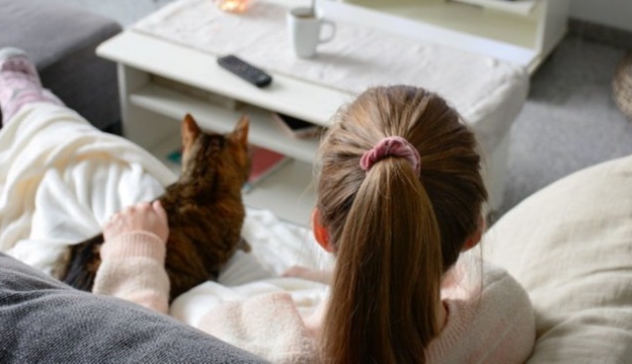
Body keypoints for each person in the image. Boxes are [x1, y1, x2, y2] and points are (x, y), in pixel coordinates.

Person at [94, 83, 536, 363]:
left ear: (320, 231)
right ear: (475, 233)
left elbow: (128, 348)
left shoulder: (240, 338)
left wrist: (135, 252)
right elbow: (461, 280)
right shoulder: (502, 317)